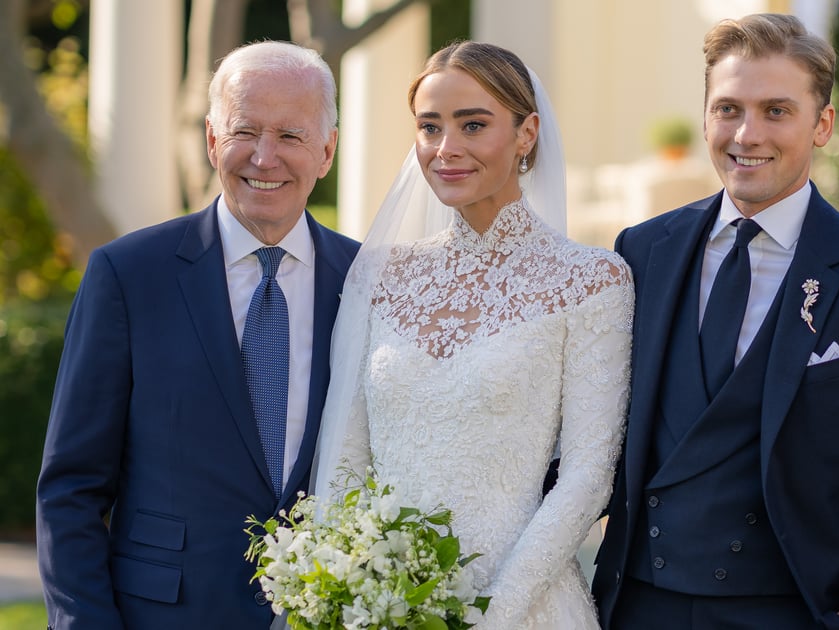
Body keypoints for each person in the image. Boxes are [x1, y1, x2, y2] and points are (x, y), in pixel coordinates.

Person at [591, 13, 839, 630]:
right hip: (640, 603)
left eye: (776, 110)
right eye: (727, 108)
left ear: (823, 125)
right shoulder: (641, 252)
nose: (746, 133)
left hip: (796, 608)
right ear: (706, 116)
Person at [35, 41, 359, 629]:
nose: (265, 157)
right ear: (212, 141)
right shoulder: (128, 275)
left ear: (327, 151)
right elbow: (71, 489)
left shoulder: (367, 285)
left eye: (291, 136)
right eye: (245, 132)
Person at [310, 41, 633, 629]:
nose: (446, 149)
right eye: (430, 127)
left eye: (473, 125)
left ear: (526, 133)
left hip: (522, 604)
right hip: (384, 606)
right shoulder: (382, 276)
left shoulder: (591, 281)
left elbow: (588, 478)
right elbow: (347, 461)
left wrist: (489, 614)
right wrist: (350, 583)